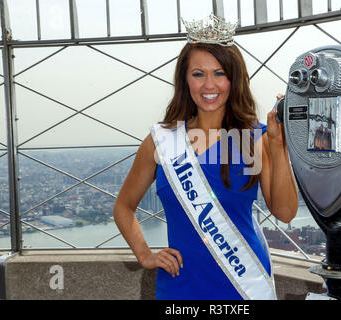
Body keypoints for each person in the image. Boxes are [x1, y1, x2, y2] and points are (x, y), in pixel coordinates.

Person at [113, 15, 298, 300]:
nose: (208, 85)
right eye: (198, 74)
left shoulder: (256, 139)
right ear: (185, 79)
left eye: (219, 73)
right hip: (179, 288)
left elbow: (285, 212)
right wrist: (145, 254)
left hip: (242, 287)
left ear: (233, 78)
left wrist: (278, 144)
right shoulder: (161, 141)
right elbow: (124, 207)